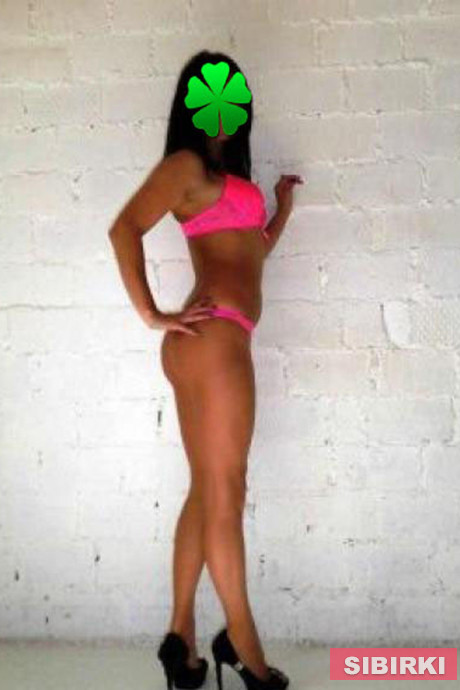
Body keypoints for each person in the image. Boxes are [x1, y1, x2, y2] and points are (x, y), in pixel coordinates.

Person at [108, 50, 303, 690]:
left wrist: (280, 211)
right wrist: (151, 314)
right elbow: (123, 229)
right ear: (193, 101)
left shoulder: (227, 176)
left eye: (232, 93)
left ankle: (182, 640)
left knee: (207, 489)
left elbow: (249, 252)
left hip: (215, 339)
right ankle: (246, 649)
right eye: (212, 91)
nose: (225, 104)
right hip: (214, 340)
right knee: (226, 492)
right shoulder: (185, 167)